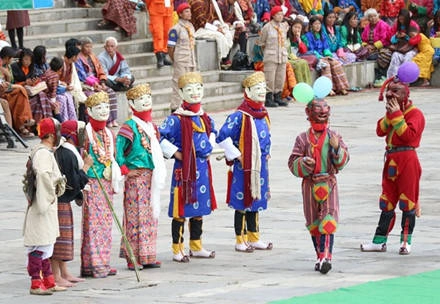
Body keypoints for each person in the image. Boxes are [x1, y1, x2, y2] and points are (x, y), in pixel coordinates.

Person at [361, 64, 425, 255]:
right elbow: (380, 131)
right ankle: (379, 240)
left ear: (405, 95)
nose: (390, 97)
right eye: (388, 93)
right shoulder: (392, 113)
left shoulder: (416, 114)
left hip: (408, 160)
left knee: (407, 202)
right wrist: (390, 116)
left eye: (394, 93)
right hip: (391, 160)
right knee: (386, 201)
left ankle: (406, 241)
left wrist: (396, 115)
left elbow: (408, 136)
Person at [288, 94, 349, 274]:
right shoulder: (302, 139)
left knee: (328, 221)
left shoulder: (334, 136)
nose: (322, 113)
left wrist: (337, 149)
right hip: (309, 184)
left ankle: (326, 258)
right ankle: (319, 255)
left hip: (328, 183)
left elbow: (343, 162)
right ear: (308, 113)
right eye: (318, 110)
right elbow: (292, 162)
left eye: (325, 111)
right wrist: (303, 163)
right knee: (313, 223)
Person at [159, 72, 217, 263]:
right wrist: (176, 152)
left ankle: (196, 245)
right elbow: (160, 137)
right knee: (181, 210)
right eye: (189, 90)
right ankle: (177, 248)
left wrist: (209, 146)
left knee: (198, 208)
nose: (195, 93)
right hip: (184, 170)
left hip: (201, 168)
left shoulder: (204, 117)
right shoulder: (176, 118)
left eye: (198, 89)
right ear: (181, 92)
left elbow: (213, 132)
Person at [216, 71, 273, 253]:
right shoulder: (239, 116)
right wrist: (237, 154)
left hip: (260, 165)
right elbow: (222, 137)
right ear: (247, 91)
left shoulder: (262, 114)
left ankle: (254, 237)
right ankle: (240, 239)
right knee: (242, 202)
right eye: (257, 88)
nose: (262, 91)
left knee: (255, 199)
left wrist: (267, 152)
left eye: (263, 88)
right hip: (244, 165)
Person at [116, 84, 167, 270]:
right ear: (131, 103)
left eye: (148, 98)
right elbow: (118, 153)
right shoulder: (128, 128)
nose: (145, 102)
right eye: (140, 99)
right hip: (136, 178)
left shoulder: (151, 127)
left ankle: (147, 255)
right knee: (135, 217)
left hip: (150, 177)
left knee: (150, 216)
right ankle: (132, 256)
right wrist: (125, 171)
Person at [23, 118, 67, 295]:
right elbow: (42, 175)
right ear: (50, 135)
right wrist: (48, 195)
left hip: (45, 204)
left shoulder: (44, 152)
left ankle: (48, 281)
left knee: (46, 244)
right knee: (39, 245)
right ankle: (36, 283)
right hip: (43, 204)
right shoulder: (43, 153)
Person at [80, 91, 121, 278]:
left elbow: (112, 158)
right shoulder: (84, 134)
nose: (104, 110)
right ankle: (94, 265)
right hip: (92, 182)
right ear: (89, 110)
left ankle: (103, 261)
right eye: (98, 108)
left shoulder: (109, 134)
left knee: (105, 225)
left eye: (106, 107)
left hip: (106, 180)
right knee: (93, 225)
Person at [51, 120, 92, 287]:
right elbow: (74, 181)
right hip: (60, 201)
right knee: (59, 240)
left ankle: (64, 272)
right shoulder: (67, 154)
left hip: (64, 201)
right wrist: (86, 168)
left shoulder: (69, 151)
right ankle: (55, 275)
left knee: (64, 238)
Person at [75, 37, 119, 127]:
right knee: (95, 95)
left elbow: (100, 70)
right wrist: (94, 84)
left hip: (98, 82)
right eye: (87, 46)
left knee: (110, 92)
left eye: (90, 47)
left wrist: (102, 82)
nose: (89, 49)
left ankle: (112, 119)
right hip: (86, 84)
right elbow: (83, 76)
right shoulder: (78, 58)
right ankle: (102, 120)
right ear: (82, 47)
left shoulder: (93, 56)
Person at [303, 16, 350, 96]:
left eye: (319, 24)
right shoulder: (307, 36)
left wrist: (328, 55)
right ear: (311, 25)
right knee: (326, 65)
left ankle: (342, 87)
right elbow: (310, 50)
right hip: (314, 57)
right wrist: (321, 57)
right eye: (315, 24)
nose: (318, 26)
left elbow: (326, 47)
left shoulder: (322, 35)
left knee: (336, 63)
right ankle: (328, 89)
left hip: (323, 56)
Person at [168, 2, 197, 112]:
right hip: (181, 60)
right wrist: (175, 60)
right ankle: (175, 107)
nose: (189, 13)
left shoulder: (191, 26)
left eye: (189, 11)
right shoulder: (175, 29)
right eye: (186, 11)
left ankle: (189, 105)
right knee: (178, 84)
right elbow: (170, 47)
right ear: (180, 14)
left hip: (191, 59)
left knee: (191, 84)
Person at [258, 6, 289, 107]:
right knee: (269, 78)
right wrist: (267, 53)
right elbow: (262, 43)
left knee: (280, 78)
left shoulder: (284, 27)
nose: (280, 17)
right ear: (273, 15)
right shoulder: (267, 27)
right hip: (271, 55)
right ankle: (268, 97)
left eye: (281, 14)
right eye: (278, 14)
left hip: (282, 55)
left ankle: (278, 95)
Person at [361, 8, 391, 87]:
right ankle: (380, 76)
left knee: (384, 54)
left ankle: (383, 76)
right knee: (367, 55)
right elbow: (363, 39)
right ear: (368, 19)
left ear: (378, 16)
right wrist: (367, 46)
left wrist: (374, 46)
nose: (373, 18)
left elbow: (385, 39)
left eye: (375, 16)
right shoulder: (367, 27)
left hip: (383, 47)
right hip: (370, 49)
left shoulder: (383, 24)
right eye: (370, 17)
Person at [41, 57, 78, 122]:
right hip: (48, 96)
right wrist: (54, 103)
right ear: (60, 68)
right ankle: (65, 120)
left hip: (47, 93)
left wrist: (61, 83)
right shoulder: (55, 76)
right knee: (62, 100)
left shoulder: (48, 71)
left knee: (67, 95)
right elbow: (53, 91)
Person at [386, 9, 420, 79]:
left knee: (407, 58)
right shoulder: (397, 25)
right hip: (399, 49)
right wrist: (396, 36)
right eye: (400, 19)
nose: (401, 21)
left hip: (411, 49)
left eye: (403, 19)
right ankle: (392, 79)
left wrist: (406, 36)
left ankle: (405, 79)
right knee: (395, 56)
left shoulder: (413, 25)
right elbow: (392, 40)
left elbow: (416, 40)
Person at [145, 0, 174, 68]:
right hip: (156, 10)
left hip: (168, 10)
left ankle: (164, 55)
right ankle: (159, 57)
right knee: (158, 34)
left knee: (167, 33)